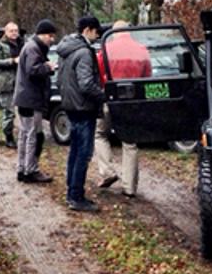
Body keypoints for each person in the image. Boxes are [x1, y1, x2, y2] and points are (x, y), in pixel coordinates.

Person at [95, 20, 152, 198]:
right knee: (130, 143)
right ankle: (129, 187)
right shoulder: (142, 50)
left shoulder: (104, 50)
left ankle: (107, 171)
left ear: (114, 32)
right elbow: (147, 77)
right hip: (132, 103)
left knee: (100, 134)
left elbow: (98, 75)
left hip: (109, 99)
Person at [56, 15, 105, 211]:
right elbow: (86, 84)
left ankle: (72, 192)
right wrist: (102, 95)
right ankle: (76, 197)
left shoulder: (66, 49)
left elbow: (62, 79)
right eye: (96, 31)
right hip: (84, 108)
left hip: (70, 106)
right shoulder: (84, 52)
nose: (97, 35)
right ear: (87, 30)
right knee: (83, 153)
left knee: (75, 151)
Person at [12, 19, 57, 183]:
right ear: (43, 34)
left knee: (25, 135)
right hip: (30, 99)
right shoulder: (33, 48)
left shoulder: (31, 46)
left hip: (25, 98)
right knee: (32, 136)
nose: (52, 39)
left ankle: (22, 169)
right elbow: (33, 70)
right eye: (50, 36)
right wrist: (49, 67)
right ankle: (30, 170)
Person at [0, 22, 22, 147]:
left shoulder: (22, 43)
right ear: (6, 32)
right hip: (6, 81)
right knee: (9, 111)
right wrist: (13, 61)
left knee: (23, 110)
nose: (14, 33)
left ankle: (24, 136)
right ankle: (8, 137)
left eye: (16, 30)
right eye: (11, 31)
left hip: (20, 81)